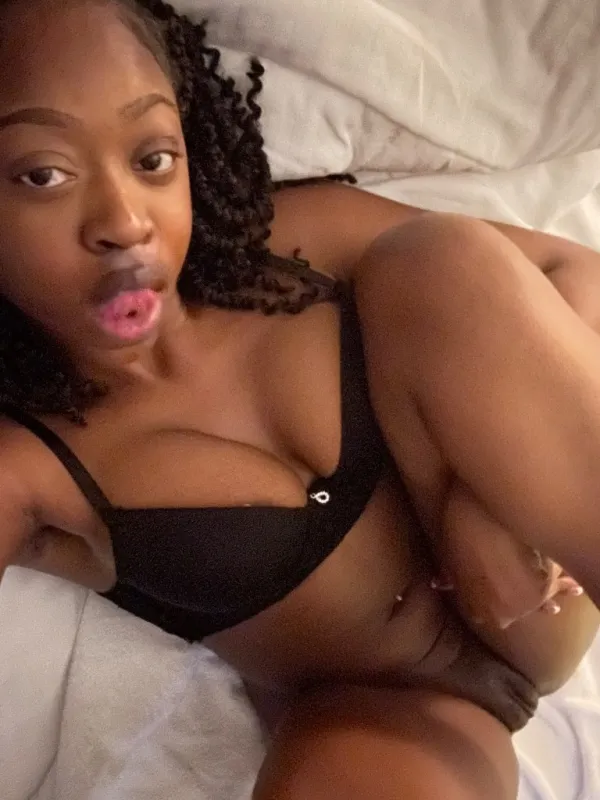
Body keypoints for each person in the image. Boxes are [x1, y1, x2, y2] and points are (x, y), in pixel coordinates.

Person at [0, 0, 598, 797]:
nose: (124, 221)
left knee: (440, 255)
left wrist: (491, 507)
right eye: (43, 175)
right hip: (392, 711)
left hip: (556, 564)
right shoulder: (28, 465)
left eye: (153, 159)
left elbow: (576, 272)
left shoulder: (292, 244)